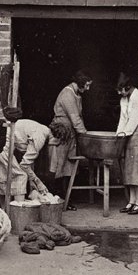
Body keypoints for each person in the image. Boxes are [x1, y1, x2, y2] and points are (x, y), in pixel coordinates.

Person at [0, 119, 70, 202]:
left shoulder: (42, 129)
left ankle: (7, 212)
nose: (55, 146)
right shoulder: (40, 137)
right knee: (20, 176)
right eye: (58, 143)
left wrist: (32, 182)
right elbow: (24, 165)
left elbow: (28, 162)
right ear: (57, 137)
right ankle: (18, 212)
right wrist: (39, 183)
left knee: (4, 177)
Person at [49, 70, 92, 211]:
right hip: (62, 133)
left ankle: (66, 200)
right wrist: (86, 136)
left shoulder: (76, 94)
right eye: (86, 85)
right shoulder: (67, 94)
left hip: (71, 134)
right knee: (59, 166)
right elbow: (75, 119)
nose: (88, 89)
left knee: (69, 166)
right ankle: (56, 199)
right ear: (79, 83)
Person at [115, 72, 138, 215]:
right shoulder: (124, 99)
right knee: (129, 167)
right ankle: (131, 201)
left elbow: (134, 119)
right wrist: (118, 134)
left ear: (128, 87)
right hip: (129, 133)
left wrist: (124, 134)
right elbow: (123, 119)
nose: (119, 93)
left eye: (121, 89)